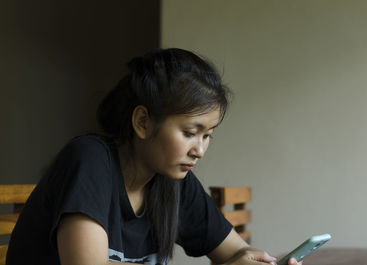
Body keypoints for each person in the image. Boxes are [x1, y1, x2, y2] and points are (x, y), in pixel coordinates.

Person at [7, 48, 302, 265]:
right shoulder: (90, 160)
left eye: (207, 135)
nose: (199, 149)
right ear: (143, 122)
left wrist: (258, 261)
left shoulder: (174, 181)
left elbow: (234, 252)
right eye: (189, 132)